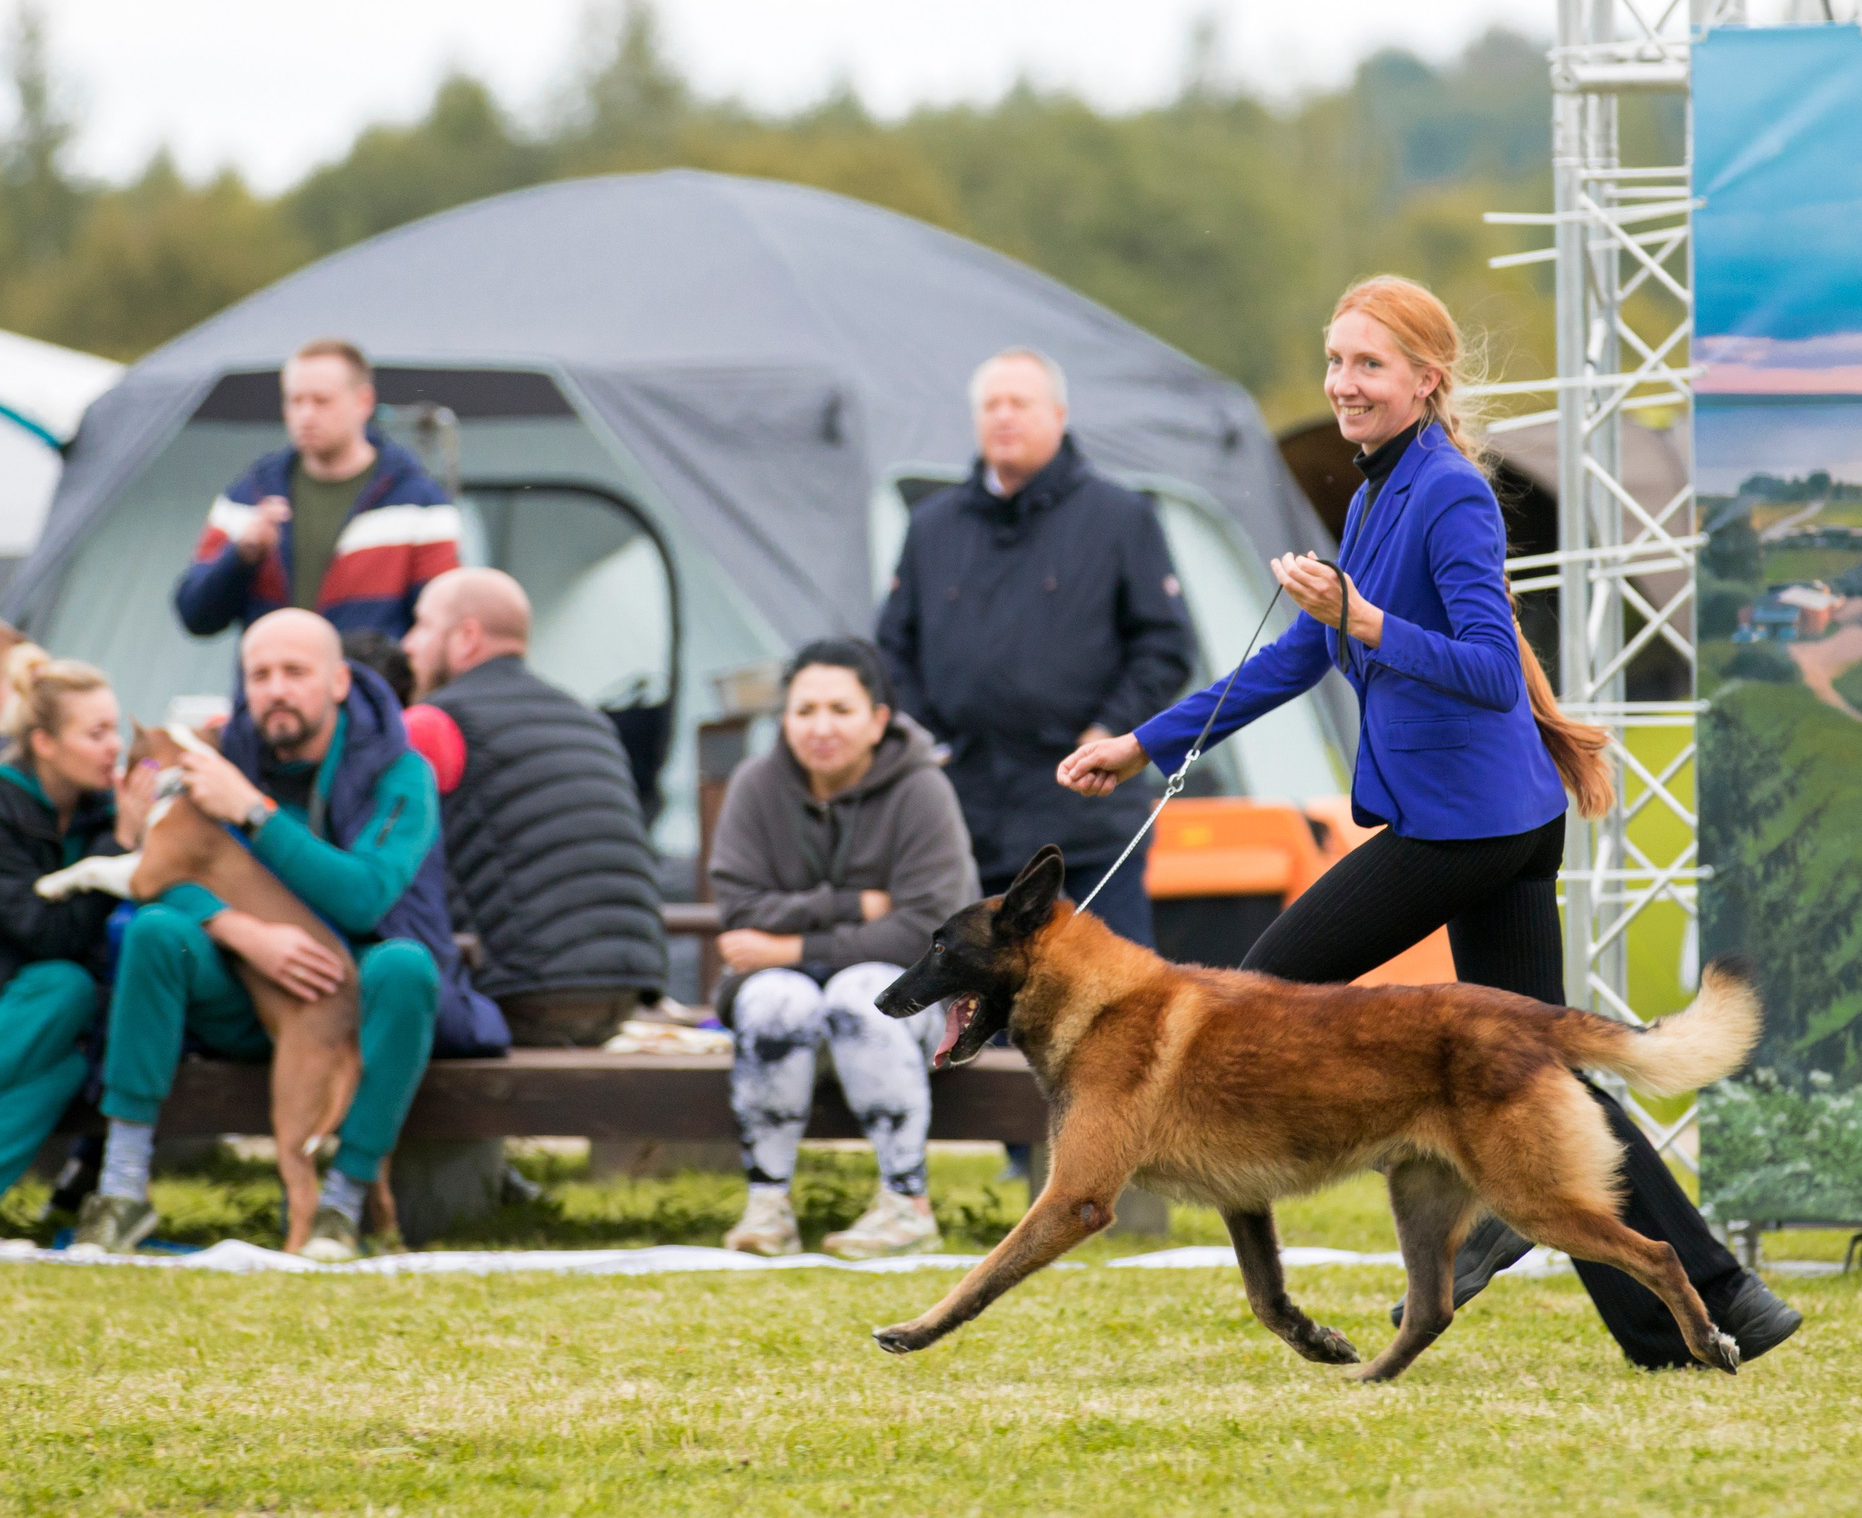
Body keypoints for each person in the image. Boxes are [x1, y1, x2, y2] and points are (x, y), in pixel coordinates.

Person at [1061, 276, 1801, 1370]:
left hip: (1470, 829)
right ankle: (1718, 1303)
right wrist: (1146, 742)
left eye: (1368, 364)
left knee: (1254, 999)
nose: (1343, 383)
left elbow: (1490, 670)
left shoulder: (1449, 491)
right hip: (1490, 820)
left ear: (1425, 380)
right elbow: (1299, 657)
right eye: (1335, 360)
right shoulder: (1376, 495)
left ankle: (1371, 1229)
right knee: (1540, 1067)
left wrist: (1362, 617)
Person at [70, 609, 503, 1261]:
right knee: (156, 932)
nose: (275, 689)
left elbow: (363, 897)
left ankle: (342, 1205)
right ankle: (121, 1188)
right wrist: (237, 928)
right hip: (244, 986)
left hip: (352, 992)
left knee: (408, 968)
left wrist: (254, 812)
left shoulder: (400, 771)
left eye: (295, 672)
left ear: (337, 681)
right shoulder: (214, 755)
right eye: (260, 675)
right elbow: (167, 870)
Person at [875, 347, 1193, 944]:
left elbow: (1165, 644)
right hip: (965, 813)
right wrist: (932, 743)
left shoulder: (1120, 517)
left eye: (1019, 403)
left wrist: (1109, 729)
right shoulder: (931, 527)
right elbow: (892, 649)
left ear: (1058, 415)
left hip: (1086, 812)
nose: (1004, 416)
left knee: (1110, 992)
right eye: (991, 405)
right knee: (972, 989)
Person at [708, 638, 977, 1258]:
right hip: (789, 1003)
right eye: (804, 710)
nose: (821, 727)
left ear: (878, 719)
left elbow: (925, 932)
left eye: (840, 709)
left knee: (865, 992)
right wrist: (856, 904)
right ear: (783, 718)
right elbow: (740, 913)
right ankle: (767, 1207)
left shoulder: (922, 791)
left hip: (904, 1010)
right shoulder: (755, 785)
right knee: (775, 997)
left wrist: (790, 946)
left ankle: (906, 1205)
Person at [400, 569, 667, 1045]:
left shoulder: (434, 722)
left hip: (523, 996)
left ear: (466, 637)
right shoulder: (589, 720)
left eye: (421, 625)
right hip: (627, 990)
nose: (408, 644)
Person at [174, 338, 460, 644]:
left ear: (363, 401)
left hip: (368, 677)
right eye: (295, 401)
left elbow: (443, 626)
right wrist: (240, 556)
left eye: (321, 401)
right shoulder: (250, 495)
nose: (306, 415)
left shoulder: (419, 503)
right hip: (272, 675)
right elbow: (194, 615)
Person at [0, 648, 153, 1195]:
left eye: (115, 729)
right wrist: (121, 844)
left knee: (66, 1072)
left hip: (46, 1013)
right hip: (24, 996)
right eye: (96, 733)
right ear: (45, 743)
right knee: (65, 986)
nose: (115, 747)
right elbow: (43, 932)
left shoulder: (98, 812)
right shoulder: (4, 805)